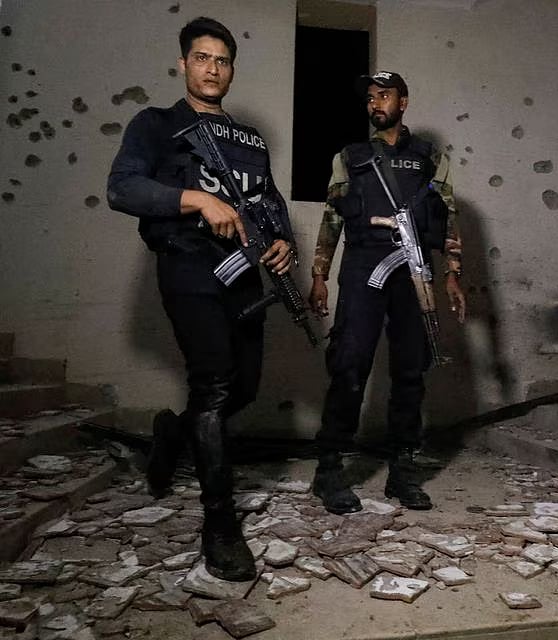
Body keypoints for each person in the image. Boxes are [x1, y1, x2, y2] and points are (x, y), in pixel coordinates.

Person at [107, 17, 294, 581]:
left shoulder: (248, 139)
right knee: (212, 384)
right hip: (187, 265)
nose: (213, 68)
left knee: (244, 388)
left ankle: (173, 433)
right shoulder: (156, 124)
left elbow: (267, 200)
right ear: (183, 64)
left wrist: (281, 237)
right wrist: (194, 199)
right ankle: (219, 523)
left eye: (223, 60)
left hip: (242, 273)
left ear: (231, 70)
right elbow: (122, 188)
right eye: (202, 58)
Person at [309, 70, 466, 514]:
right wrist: (320, 274)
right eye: (371, 98)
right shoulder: (350, 156)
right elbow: (331, 218)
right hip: (363, 267)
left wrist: (453, 272)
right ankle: (329, 469)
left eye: (386, 95)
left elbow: (450, 217)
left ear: (404, 101)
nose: (377, 104)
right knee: (349, 364)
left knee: (411, 371)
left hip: (413, 269)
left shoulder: (430, 158)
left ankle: (402, 470)